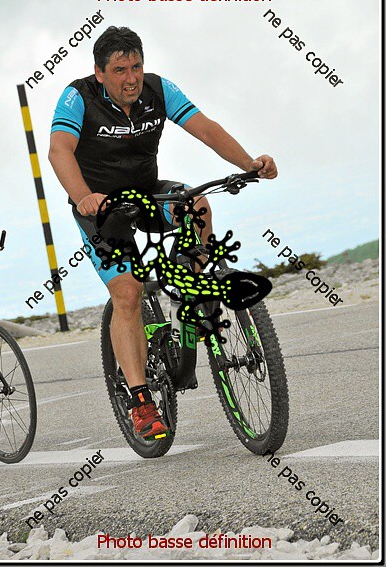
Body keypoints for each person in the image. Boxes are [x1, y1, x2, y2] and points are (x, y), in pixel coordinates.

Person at [48, 26, 278, 439]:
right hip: (101, 209)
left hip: (147, 192)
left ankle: (191, 284)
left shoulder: (157, 89)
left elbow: (205, 128)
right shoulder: (78, 96)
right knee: (128, 293)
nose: (131, 78)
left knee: (198, 204)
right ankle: (141, 401)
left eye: (136, 66)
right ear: (99, 73)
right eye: (120, 70)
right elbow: (59, 150)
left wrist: (248, 164)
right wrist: (82, 196)